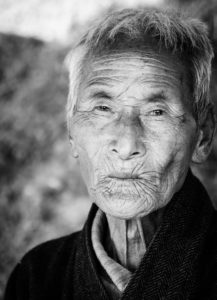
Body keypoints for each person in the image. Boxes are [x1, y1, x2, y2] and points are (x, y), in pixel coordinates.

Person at [4, 6, 217, 300]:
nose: (127, 145)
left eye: (157, 111)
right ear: (71, 132)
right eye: (103, 109)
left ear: (203, 135)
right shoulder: (37, 276)